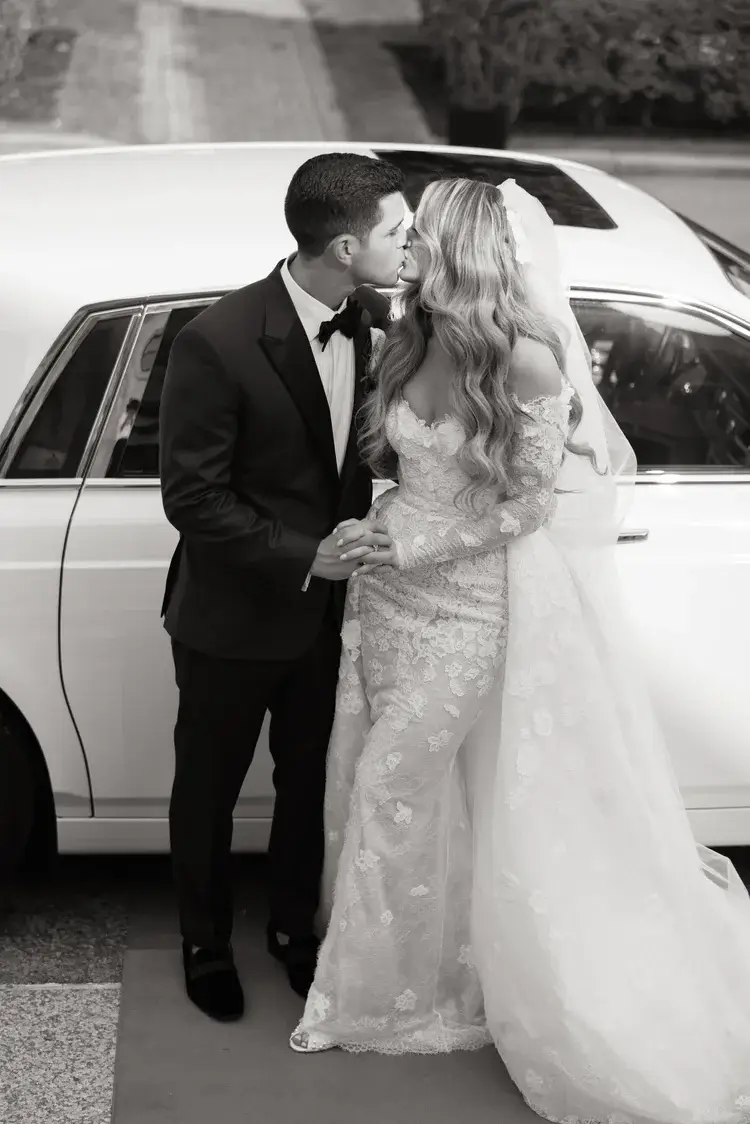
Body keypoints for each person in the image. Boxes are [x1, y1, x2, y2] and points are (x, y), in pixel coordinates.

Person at [290, 178, 750, 1124]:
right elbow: (407, 471)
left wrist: (413, 544)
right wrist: (375, 527)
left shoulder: (528, 359)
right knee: (397, 782)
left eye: (420, 234)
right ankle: (430, 969)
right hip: (387, 600)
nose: (404, 246)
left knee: (390, 783)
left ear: (459, 249)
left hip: (467, 610)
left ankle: (378, 1000)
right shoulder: (409, 334)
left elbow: (530, 506)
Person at [158, 152, 408, 1022]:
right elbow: (192, 498)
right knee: (209, 788)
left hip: (329, 619)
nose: (409, 246)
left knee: (309, 781)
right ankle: (204, 941)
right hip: (230, 618)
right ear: (344, 247)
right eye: (397, 232)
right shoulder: (216, 340)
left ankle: (294, 929)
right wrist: (308, 556)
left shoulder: (376, 321)